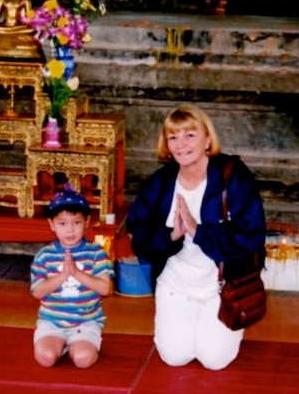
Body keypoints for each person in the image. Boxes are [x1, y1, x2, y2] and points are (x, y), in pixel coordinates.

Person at [127, 105, 266, 371]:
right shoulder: (161, 181)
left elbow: (252, 234)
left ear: (207, 140)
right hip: (175, 284)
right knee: (174, 357)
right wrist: (172, 236)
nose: (181, 144)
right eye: (173, 137)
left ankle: (217, 328)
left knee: (214, 360)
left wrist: (199, 231)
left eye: (189, 135)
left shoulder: (233, 176)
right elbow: (140, 236)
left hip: (222, 286)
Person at [30, 186, 114, 369]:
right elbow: (37, 292)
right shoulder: (44, 255)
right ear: (52, 224)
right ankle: (60, 343)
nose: (70, 230)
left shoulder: (96, 252)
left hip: (86, 321)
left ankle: (78, 344)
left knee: (83, 360)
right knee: (45, 358)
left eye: (76, 222)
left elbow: (105, 289)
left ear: (87, 222)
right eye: (62, 223)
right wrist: (63, 275)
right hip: (52, 321)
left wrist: (77, 273)